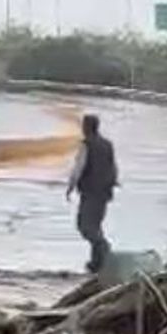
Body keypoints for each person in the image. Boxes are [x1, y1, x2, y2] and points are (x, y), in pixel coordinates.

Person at [66, 113, 118, 274]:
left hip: (90, 190)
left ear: (86, 127)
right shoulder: (107, 145)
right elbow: (113, 167)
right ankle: (97, 263)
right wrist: (112, 183)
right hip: (104, 191)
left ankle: (104, 250)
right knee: (96, 225)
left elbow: (79, 167)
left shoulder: (87, 145)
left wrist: (70, 186)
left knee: (85, 226)